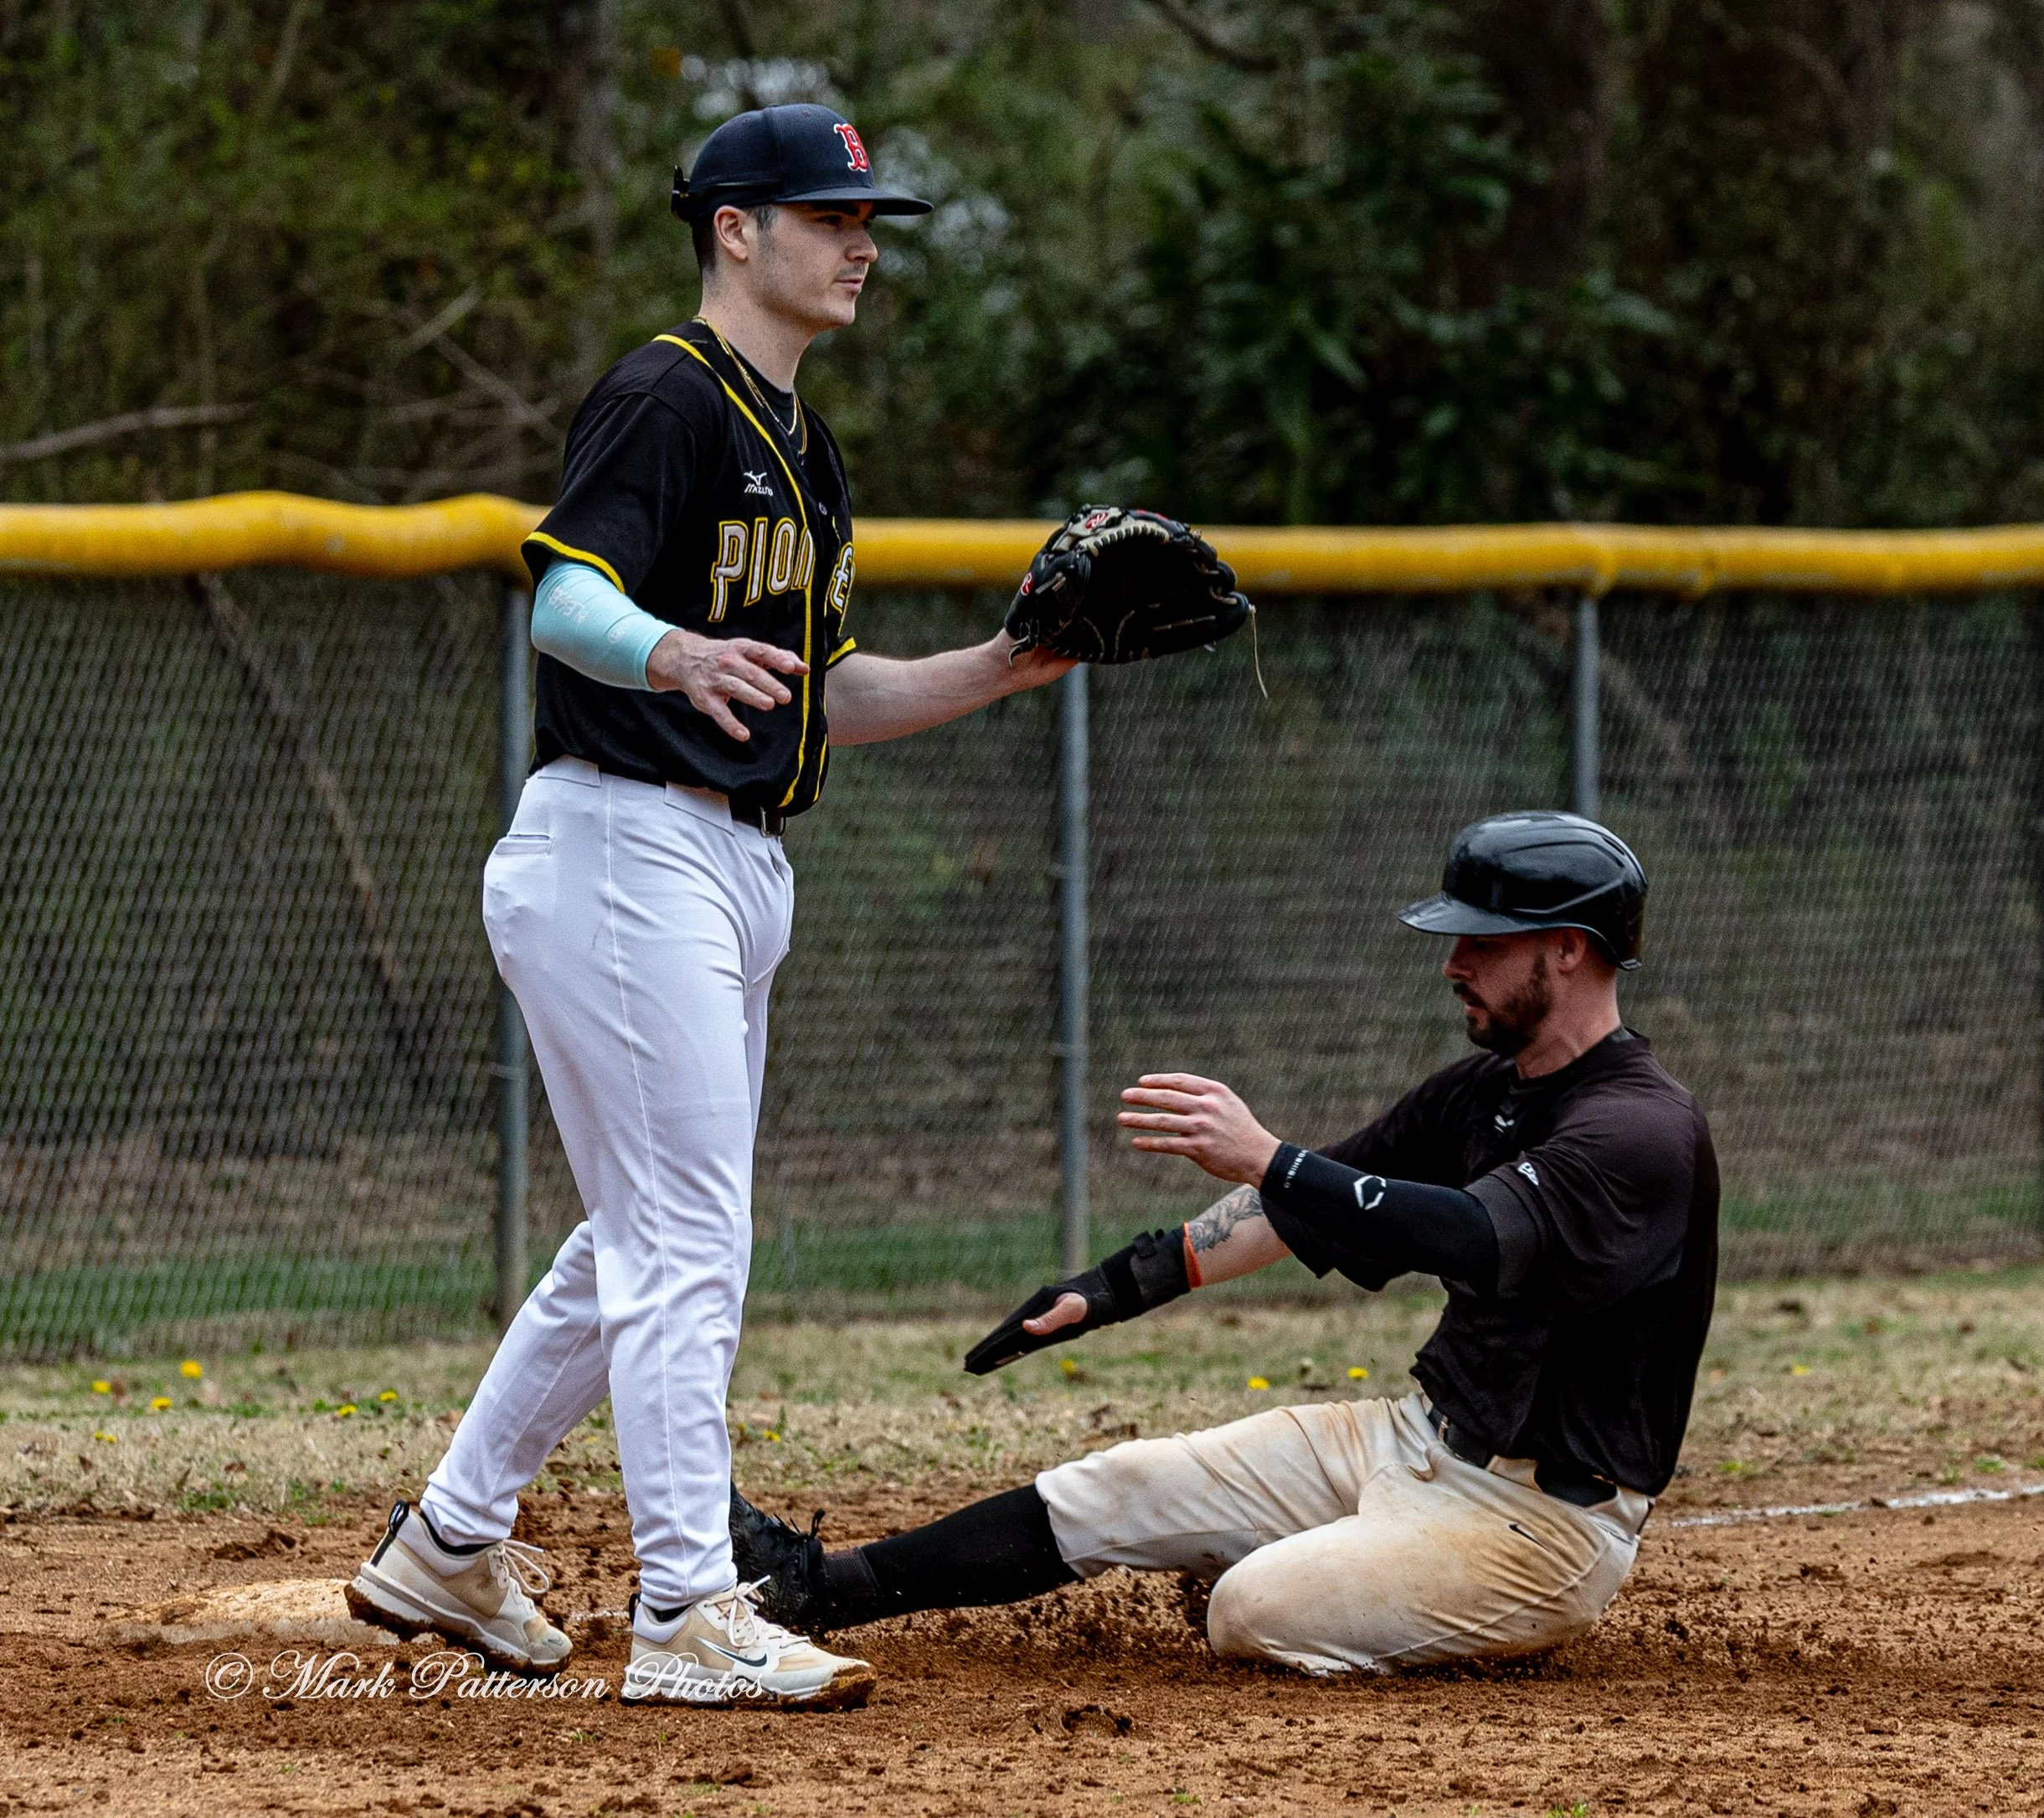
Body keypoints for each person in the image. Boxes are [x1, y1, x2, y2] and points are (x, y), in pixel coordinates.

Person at [346, 103, 1089, 1709]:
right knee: (688, 1235)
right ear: (734, 229)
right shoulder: (666, 394)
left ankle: (452, 1541)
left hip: (730, 859)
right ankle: (687, 1608)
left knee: (636, 1236)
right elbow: (565, 603)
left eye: (867, 218)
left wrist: (1006, 665)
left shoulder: (806, 449)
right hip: (625, 840)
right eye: (828, 216)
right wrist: (669, 650)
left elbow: (826, 690)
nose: (860, 243)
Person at [730, 811, 1720, 1676]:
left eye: (1481, 940)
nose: (1451, 961)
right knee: (1120, 1484)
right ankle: (818, 1587)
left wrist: (1269, 1156)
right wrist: (1112, 1286)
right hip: (1411, 1440)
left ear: (1566, 949)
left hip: (1537, 1525)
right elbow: (1312, 1206)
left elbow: (1475, 1235)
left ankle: (1342, 1581)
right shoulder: (1485, 1090)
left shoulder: (1638, 1129)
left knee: (1250, 1606)